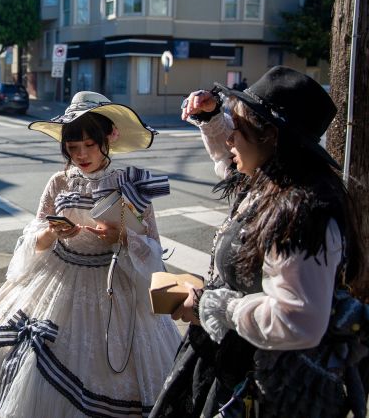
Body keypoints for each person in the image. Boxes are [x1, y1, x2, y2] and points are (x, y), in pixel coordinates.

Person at [0, 91, 181, 417]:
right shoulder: (58, 182)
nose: (81, 154)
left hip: (113, 286)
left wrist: (121, 236)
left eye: (89, 145)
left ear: (108, 138)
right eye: (72, 147)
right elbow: (34, 240)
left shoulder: (132, 184)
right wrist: (52, 232)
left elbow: (154, 251)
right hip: (56, 279)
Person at [150, 66, 367, 417]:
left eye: (238, 129)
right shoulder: (268, 181)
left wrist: (215, 308)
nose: (230, 138)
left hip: (263, 386)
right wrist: (211, 118)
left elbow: (297, 320)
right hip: (232, 362)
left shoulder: (301, 212)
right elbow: (227, 160)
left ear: (271, 137)